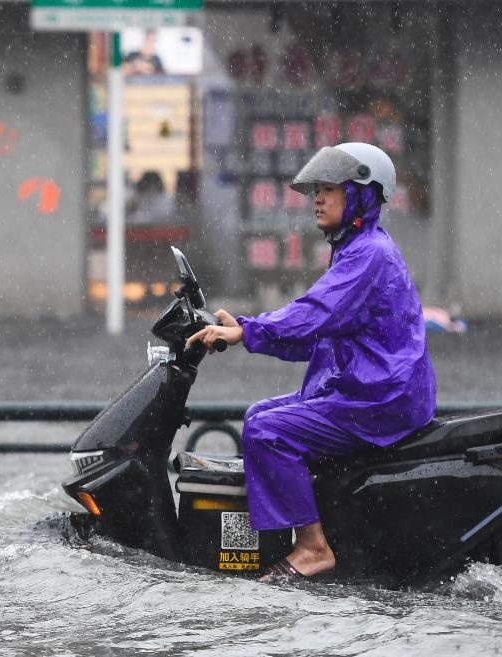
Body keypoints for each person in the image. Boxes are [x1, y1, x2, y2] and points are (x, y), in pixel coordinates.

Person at [185, 142, 436, 581]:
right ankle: (292, 532)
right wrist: (248, 331)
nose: (317, 199)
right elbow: (316, 333)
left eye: (329, 189)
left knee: (268, 430)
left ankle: (313, 547)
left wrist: (248, 331)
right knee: (259, 415)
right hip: (370, 389)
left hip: (380, 397)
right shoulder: (357, 249)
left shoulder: (369, 254)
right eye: (316, 190)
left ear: (361, 195)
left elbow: (314, 313)